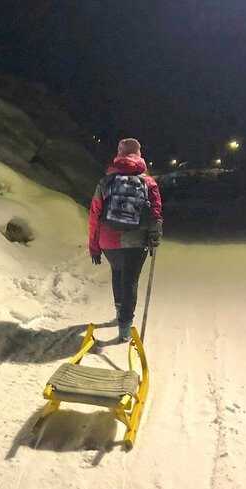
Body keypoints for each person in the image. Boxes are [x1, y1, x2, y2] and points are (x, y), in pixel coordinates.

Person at [89, 138, 163, 342]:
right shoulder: (148, 182)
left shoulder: (105, 182)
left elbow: (94, 216)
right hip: (136, 240)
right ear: (139, 156)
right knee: (130, 280)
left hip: (108, 240)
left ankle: (119, 312)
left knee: (117, 272)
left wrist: (94, 248)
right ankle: (124, 328)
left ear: (118, 156)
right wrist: (155, 232)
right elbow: (156, 212)